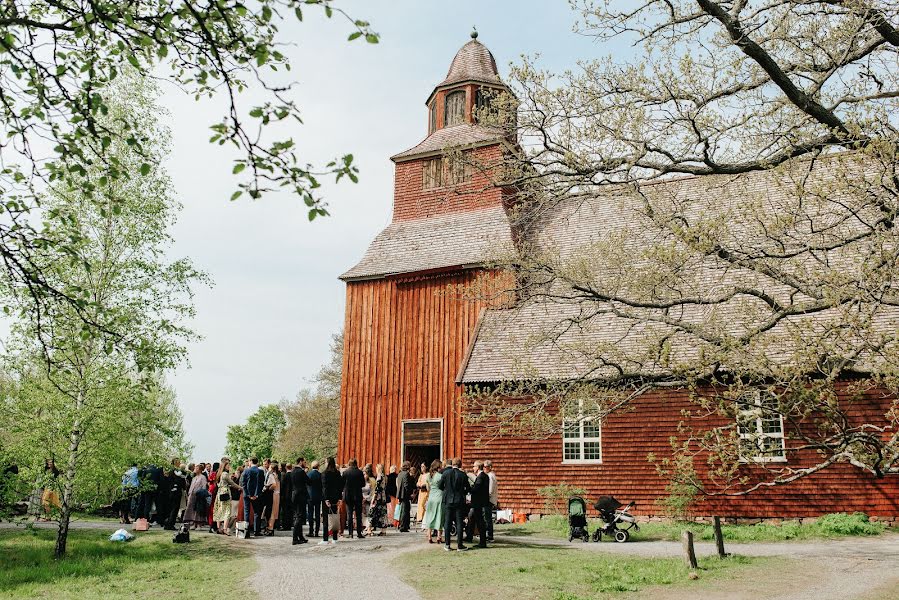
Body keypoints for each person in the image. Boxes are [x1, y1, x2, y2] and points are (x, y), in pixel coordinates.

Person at [437, 457, 470, 551]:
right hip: (459, 500)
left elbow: (439, 485)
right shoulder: (463, 475)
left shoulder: (446, 473)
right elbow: (467, 488)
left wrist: (447, 491)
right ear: (460, 465)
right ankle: (460, 545)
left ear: (452, 464)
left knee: (447, 522)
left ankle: (447, 545)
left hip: (448, 500)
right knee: (459, 522)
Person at [467, 460, 489, 548]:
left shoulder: (480, 477)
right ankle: (471, 537)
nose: (473, 468)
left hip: (479, 503)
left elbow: (476, 489)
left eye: (474, 466)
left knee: (480, 522)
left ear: (477, 467)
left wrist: (469, 488)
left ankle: (482, 542)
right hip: (481, 502)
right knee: (477, 520)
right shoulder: (485, 476)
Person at [214, 459, 240, 535]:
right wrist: (240, 487)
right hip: (225, 493)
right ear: (224, 466)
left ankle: (219, 528)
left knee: (219, 511)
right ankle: (225, 529)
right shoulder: (225, 474)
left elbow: (222, 484)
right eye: (228, 465)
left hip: (219, 493)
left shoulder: (219, 473)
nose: (229, 467)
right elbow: (232, 483)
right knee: (227, 512)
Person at [320, 457, 343, 544]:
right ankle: (334, 538)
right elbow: (340, 487)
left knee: (326, 518)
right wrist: (340, 498)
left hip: (327, 498)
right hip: (336, 498)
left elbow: (325, 488)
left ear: (328, 463)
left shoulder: (324, 473)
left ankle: (325, 539)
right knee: (334, 517)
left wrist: (326, 499)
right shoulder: (337, 473)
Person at [241, 457, 266, 536]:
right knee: (257, 512)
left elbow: (243, 483)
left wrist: (248, 494)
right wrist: (256, 494)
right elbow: (261, 484)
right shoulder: (261, 471)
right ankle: (256, 531)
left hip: (247, 495)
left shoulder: (246, 471)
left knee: (247, 512)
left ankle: (247, 531)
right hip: (257, 495)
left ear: (251, 461)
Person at [342, 458, 365, 538]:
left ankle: (350, 533)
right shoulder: (360, 472)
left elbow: (342, 484)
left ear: (349, 464)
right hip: (357, 495)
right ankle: (359, 533)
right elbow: (363, 484)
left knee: (349, 514)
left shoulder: (345, 473)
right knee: (358, 515)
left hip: (348, 496)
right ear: (356, 463)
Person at [422, 460, 444, 544]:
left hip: (431, 498)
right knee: (439, 516)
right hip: (439, 497)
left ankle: (429, 537)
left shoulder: (428, 476)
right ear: (438, 466)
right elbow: (443, 487)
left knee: (430, 516)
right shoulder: (440, 476)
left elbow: (428, 489)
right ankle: (439, 537)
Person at [289, 457, 309, 545]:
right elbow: (309, 481)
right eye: (304, 462)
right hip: (301, 496)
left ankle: (300, 536)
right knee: (299, 516)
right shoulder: (301, 471)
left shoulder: (292, 471)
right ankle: (294, 538)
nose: (305, 463)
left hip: (294, 495)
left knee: (298, 516)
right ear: (300, 462)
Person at [183, 464, 209, 529]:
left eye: (196, 468)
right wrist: (189, 494)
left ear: (200, 470)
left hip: (199, 496)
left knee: (198, 509)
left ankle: (199, 524)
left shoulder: (203, 477)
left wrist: (201, 494)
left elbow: (204, 487)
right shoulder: (194, 478)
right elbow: (191, 486)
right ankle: (193, 523)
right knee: (191, 509)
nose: (195, 469)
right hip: (192, 495)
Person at [263, 460, 280, 535]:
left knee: (271, 512)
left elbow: (273, 485)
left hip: (273, 494)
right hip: (277, 494)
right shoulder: (277, 475)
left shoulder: (272, 475)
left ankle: (270, 528)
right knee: (274, 512)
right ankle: (271, 528)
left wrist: (267, 488)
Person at [395, 461, 412, 532]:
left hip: (400, 494)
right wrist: (409, 494)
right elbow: (406, 485)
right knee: (405, 511)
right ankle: (403, 526)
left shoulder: (400, 474)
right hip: (404, 494)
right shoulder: (406, 474)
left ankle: (404, 525)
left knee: (403, 510)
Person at [306, 460, 322, 538]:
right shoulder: (320, 475)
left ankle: (310, 531)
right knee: (317, 514)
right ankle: (316, 531)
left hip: (310, 496)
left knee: (310, 514)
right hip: (318, 496)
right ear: (318, 466)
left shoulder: (308, 474)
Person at [484, 460, 497, 542]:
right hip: (490, 499)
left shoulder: (490, 476)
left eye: (485, 467)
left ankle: (490, 536)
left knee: (487, 518)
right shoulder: (490, 475)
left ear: (490, 467)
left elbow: (490, 490)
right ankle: (488, 535)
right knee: (487, 517)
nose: (484, 468)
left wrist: (486, 497)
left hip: (489, 499)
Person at [280, 462, 294, 531]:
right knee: (290, 510)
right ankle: (290, 524)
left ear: (286, 467)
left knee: (285, 511)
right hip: (292, 495)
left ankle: (285, 525)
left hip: (285, 496)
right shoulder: (293, 475)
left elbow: (282, 486)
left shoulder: (284, 475)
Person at [416, 463, 429, 528]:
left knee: (424, 505)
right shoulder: (421, 475)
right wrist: (418, 485)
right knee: (420, 505)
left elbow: (428, 483)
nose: (422, 468)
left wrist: (424, 485)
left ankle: (425, 519)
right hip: (421, 492)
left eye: (423, 466)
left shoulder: (428, 474)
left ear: (426, 467)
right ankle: (420, 518)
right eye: (421, 466)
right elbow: (418, 482)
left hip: (426, 492)